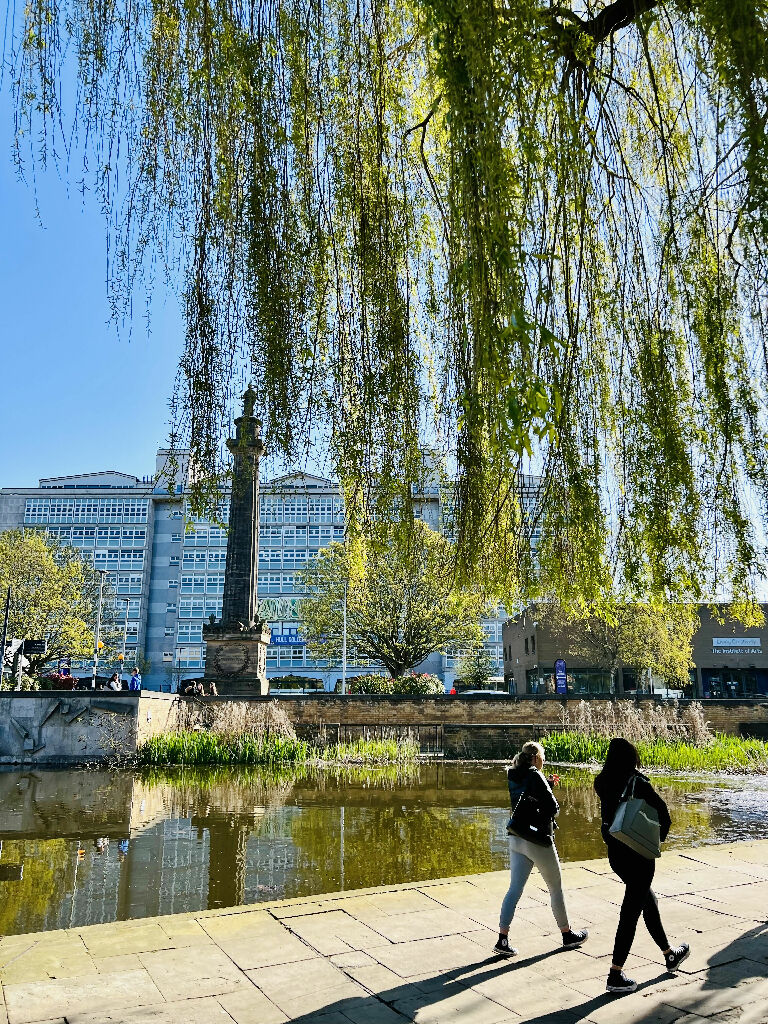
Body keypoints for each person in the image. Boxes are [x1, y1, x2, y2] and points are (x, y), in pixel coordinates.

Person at [594, 737, 690, 994]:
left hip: (616, 855)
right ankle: (615, 974)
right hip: (639, 856)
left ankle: (670, 954)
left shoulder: (601, 782)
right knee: (630, 912)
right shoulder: (639, 783)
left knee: (648, 900)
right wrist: (655, 841)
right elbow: (664, 814)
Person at [494, 741, 588, 957]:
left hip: (516, 837)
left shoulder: (514, 774)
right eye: (542, 757)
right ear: (536, 758)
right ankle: (567, 935)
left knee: (514, 889)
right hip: (537, 839)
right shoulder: (535, 774)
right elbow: (554, 808)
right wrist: (547, 789)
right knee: (555, 887)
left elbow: (526, 799)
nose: (543, 761)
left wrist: (547, 785)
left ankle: (502, 939)